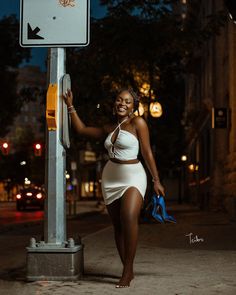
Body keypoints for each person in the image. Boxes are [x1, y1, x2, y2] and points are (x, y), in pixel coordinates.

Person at [63, 87, 165, 288]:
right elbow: (82, 130)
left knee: (128, 216)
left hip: (134, 176)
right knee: (118, 225)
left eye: (127, 102)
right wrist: (70, 106)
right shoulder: (108, 127)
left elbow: (147, 153)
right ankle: (127, 267)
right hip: (110, 178)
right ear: (114, 104)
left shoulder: (138, 123)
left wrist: (156, 180)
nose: (122, 104)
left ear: (133, 107)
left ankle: (127, 272)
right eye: (119, 100)